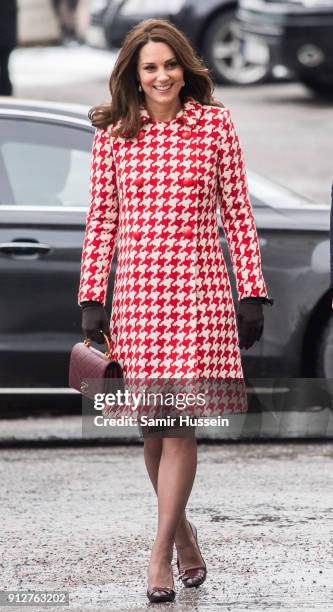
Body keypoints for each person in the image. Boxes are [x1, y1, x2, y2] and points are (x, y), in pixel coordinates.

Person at [78, 18, 273, 603]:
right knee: (152, 431)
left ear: (184, 68)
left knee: (179, 426)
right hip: (137, 299)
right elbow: (101, 221)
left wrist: (252, 291)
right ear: (134, 77)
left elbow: (237, 211)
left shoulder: (214, 124)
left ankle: (158, 555)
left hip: (199, 297)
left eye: (169, 64)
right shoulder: (114, 132)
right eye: (150, 67)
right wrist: (92, 296)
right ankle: (185, 536)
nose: (162, 76)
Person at [0, 0, 17, 96]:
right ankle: (6, 96)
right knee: (4, 69)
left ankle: (5, 97)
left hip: (6, 39)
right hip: (7, 39)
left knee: (4, 69)